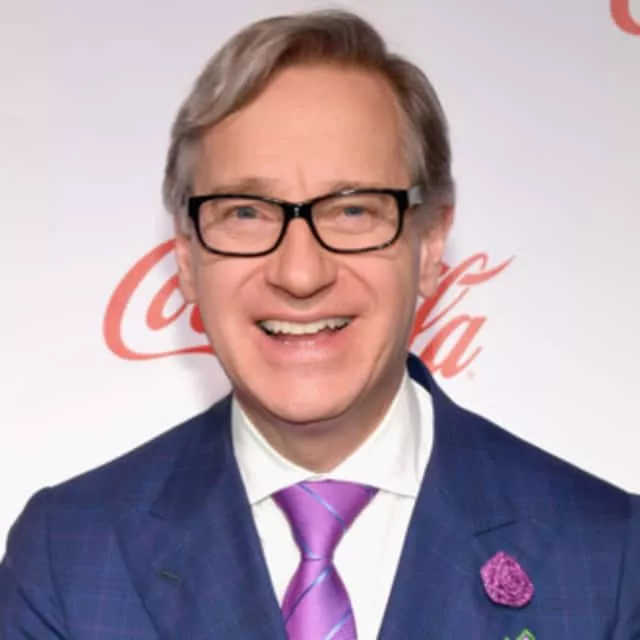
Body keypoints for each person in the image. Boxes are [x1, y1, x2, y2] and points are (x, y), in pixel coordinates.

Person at [1, 9, 638, 639]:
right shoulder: (70, 557)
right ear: (188, 259)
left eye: (353, 210)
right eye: (245, 212)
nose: (300, 273)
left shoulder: (611, 559)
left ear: (429, 246)